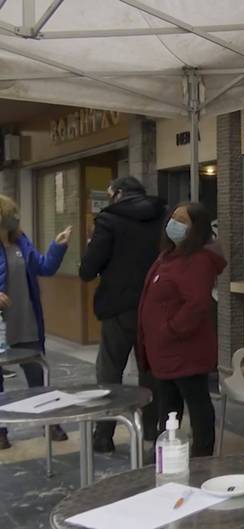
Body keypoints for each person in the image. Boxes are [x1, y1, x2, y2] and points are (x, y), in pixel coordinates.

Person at [79, 176, 166, 453]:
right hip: (154, 305)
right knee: (149, 370)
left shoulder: (108, 220)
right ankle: (151, 428)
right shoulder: (163, 216)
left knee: (109, 371)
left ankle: (104, 435)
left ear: (117, 193)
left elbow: (88, 269)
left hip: (118, 307)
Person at [137, 202, 226, 458]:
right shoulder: (168, 256)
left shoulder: (198, 260)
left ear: (196, 228)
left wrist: (170, 329)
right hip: (163, 353)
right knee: (168, 405)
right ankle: (168, 450)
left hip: (185, 350)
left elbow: (197, 303)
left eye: (182, 220)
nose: (173, 224)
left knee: (197, 403)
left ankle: (202, 456)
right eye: (173, 217)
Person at [0, 194, 73, 450]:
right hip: (0, 330)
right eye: (10, 214)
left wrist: (58, 245)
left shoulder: (22, 242)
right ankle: (1, 431)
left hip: (27, 323)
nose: (14, 219)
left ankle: (50, 423)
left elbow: (45, 267)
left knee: (38, 377)